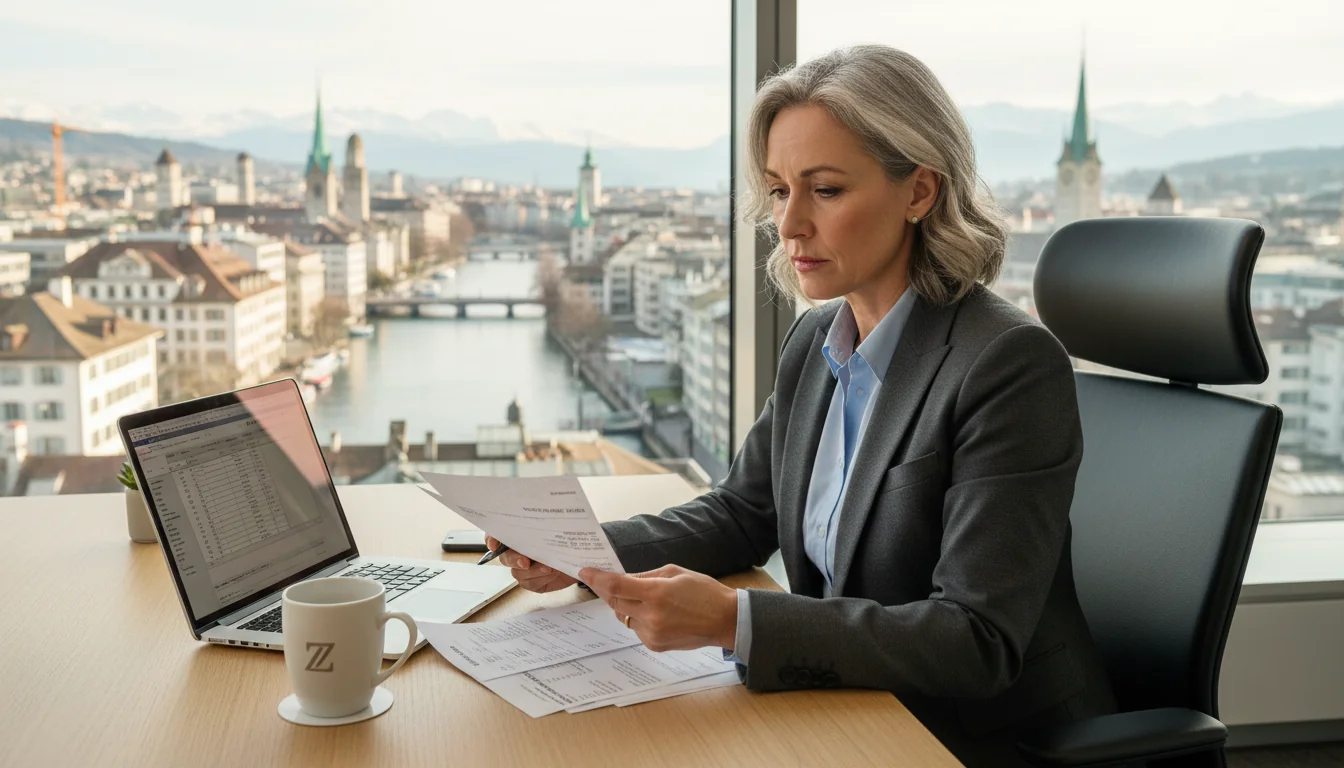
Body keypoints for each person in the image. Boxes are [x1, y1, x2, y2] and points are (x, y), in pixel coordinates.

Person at [488, 44, 1117, 766]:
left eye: (825, 190)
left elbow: (975, 640)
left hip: (973, 739)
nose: (788, 226)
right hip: (849, 707)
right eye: (780, 191)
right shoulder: (818, 337)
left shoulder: (1006, 364)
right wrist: (583, 554)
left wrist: (736, 620)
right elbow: (742, 513)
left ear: (919, 192)